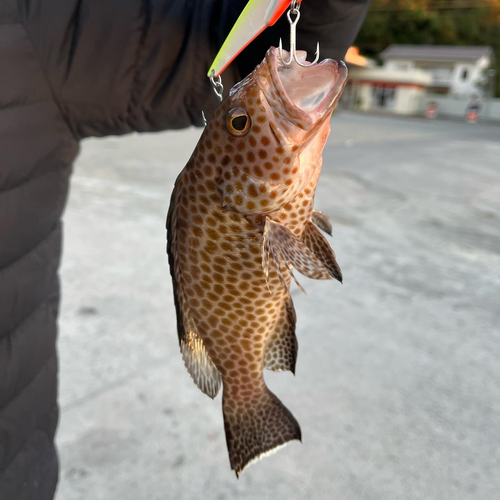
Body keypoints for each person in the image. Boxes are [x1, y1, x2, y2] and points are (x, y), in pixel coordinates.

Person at [0, 0, 369, 498]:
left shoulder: (32, 25)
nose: (247, 114)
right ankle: (247, 395)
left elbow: (222, 47)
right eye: (241, 124)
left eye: (239, 123)